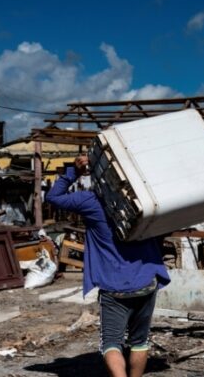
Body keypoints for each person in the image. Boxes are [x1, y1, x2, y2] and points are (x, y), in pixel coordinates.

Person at [45, 154, 170, 377]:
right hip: (146, 282)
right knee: (139, 342)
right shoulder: (146, 200)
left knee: (111, 343)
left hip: (114, 287)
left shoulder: (90, 201)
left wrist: (74, 172)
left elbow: (53, 197)